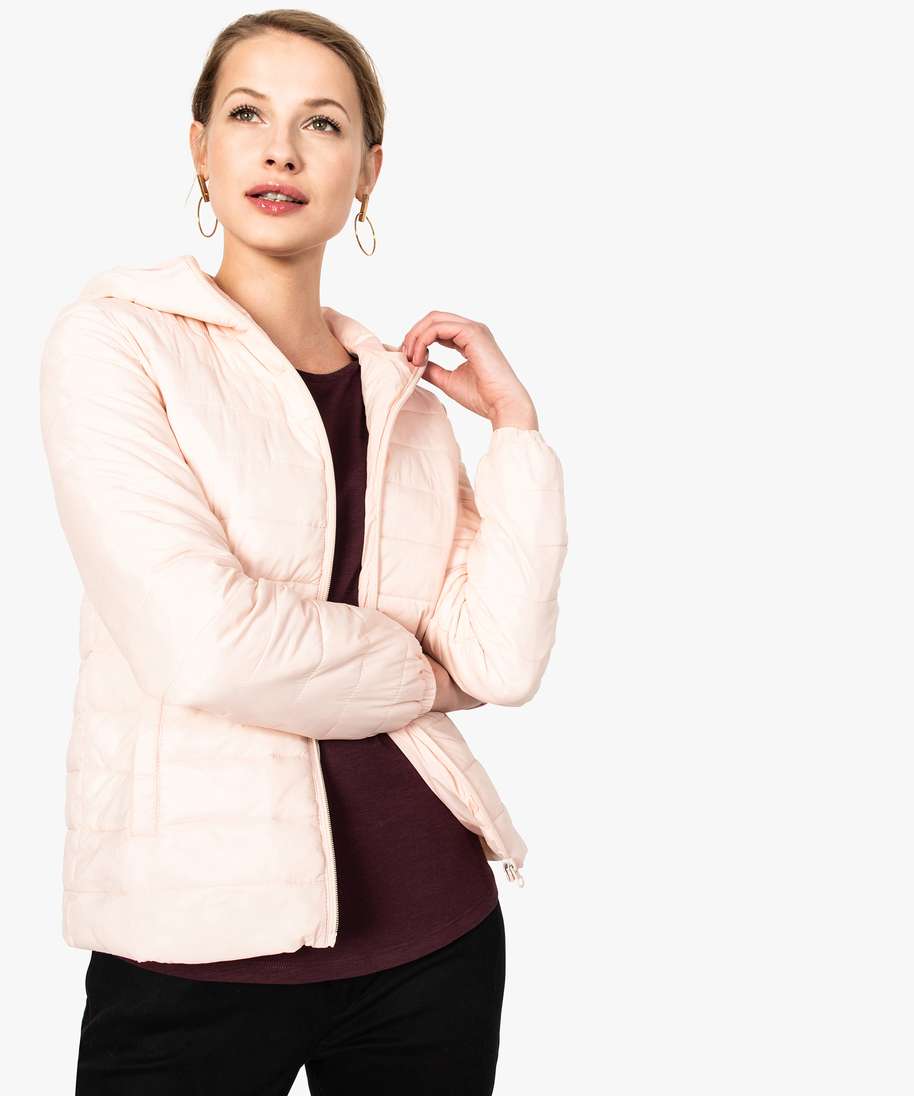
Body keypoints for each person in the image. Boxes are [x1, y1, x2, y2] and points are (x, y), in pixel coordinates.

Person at [39, 10, 567, 1094]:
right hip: (193, 950)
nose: (280, 150)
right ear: (200, 148)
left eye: (321, 124)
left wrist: (514, 429)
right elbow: (201, 645)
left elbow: (501, 661)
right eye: (248, 115)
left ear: (367, 171)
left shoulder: (401, 395)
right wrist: (413, 673)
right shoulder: (115, 342)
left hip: (435, 933)